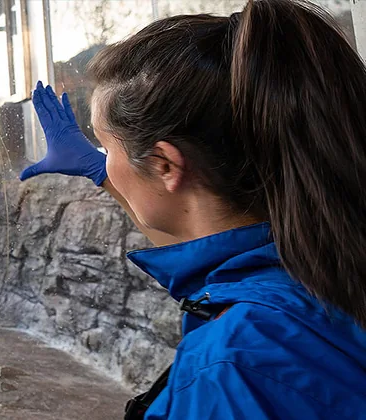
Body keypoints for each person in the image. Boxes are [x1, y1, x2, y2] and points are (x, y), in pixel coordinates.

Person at [20, 0, 366, 418]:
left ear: (166, 164)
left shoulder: (230, 372)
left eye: (105, 146)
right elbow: (207, 242)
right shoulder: (317, 253)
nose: (102, 158)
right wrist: (104, 172)